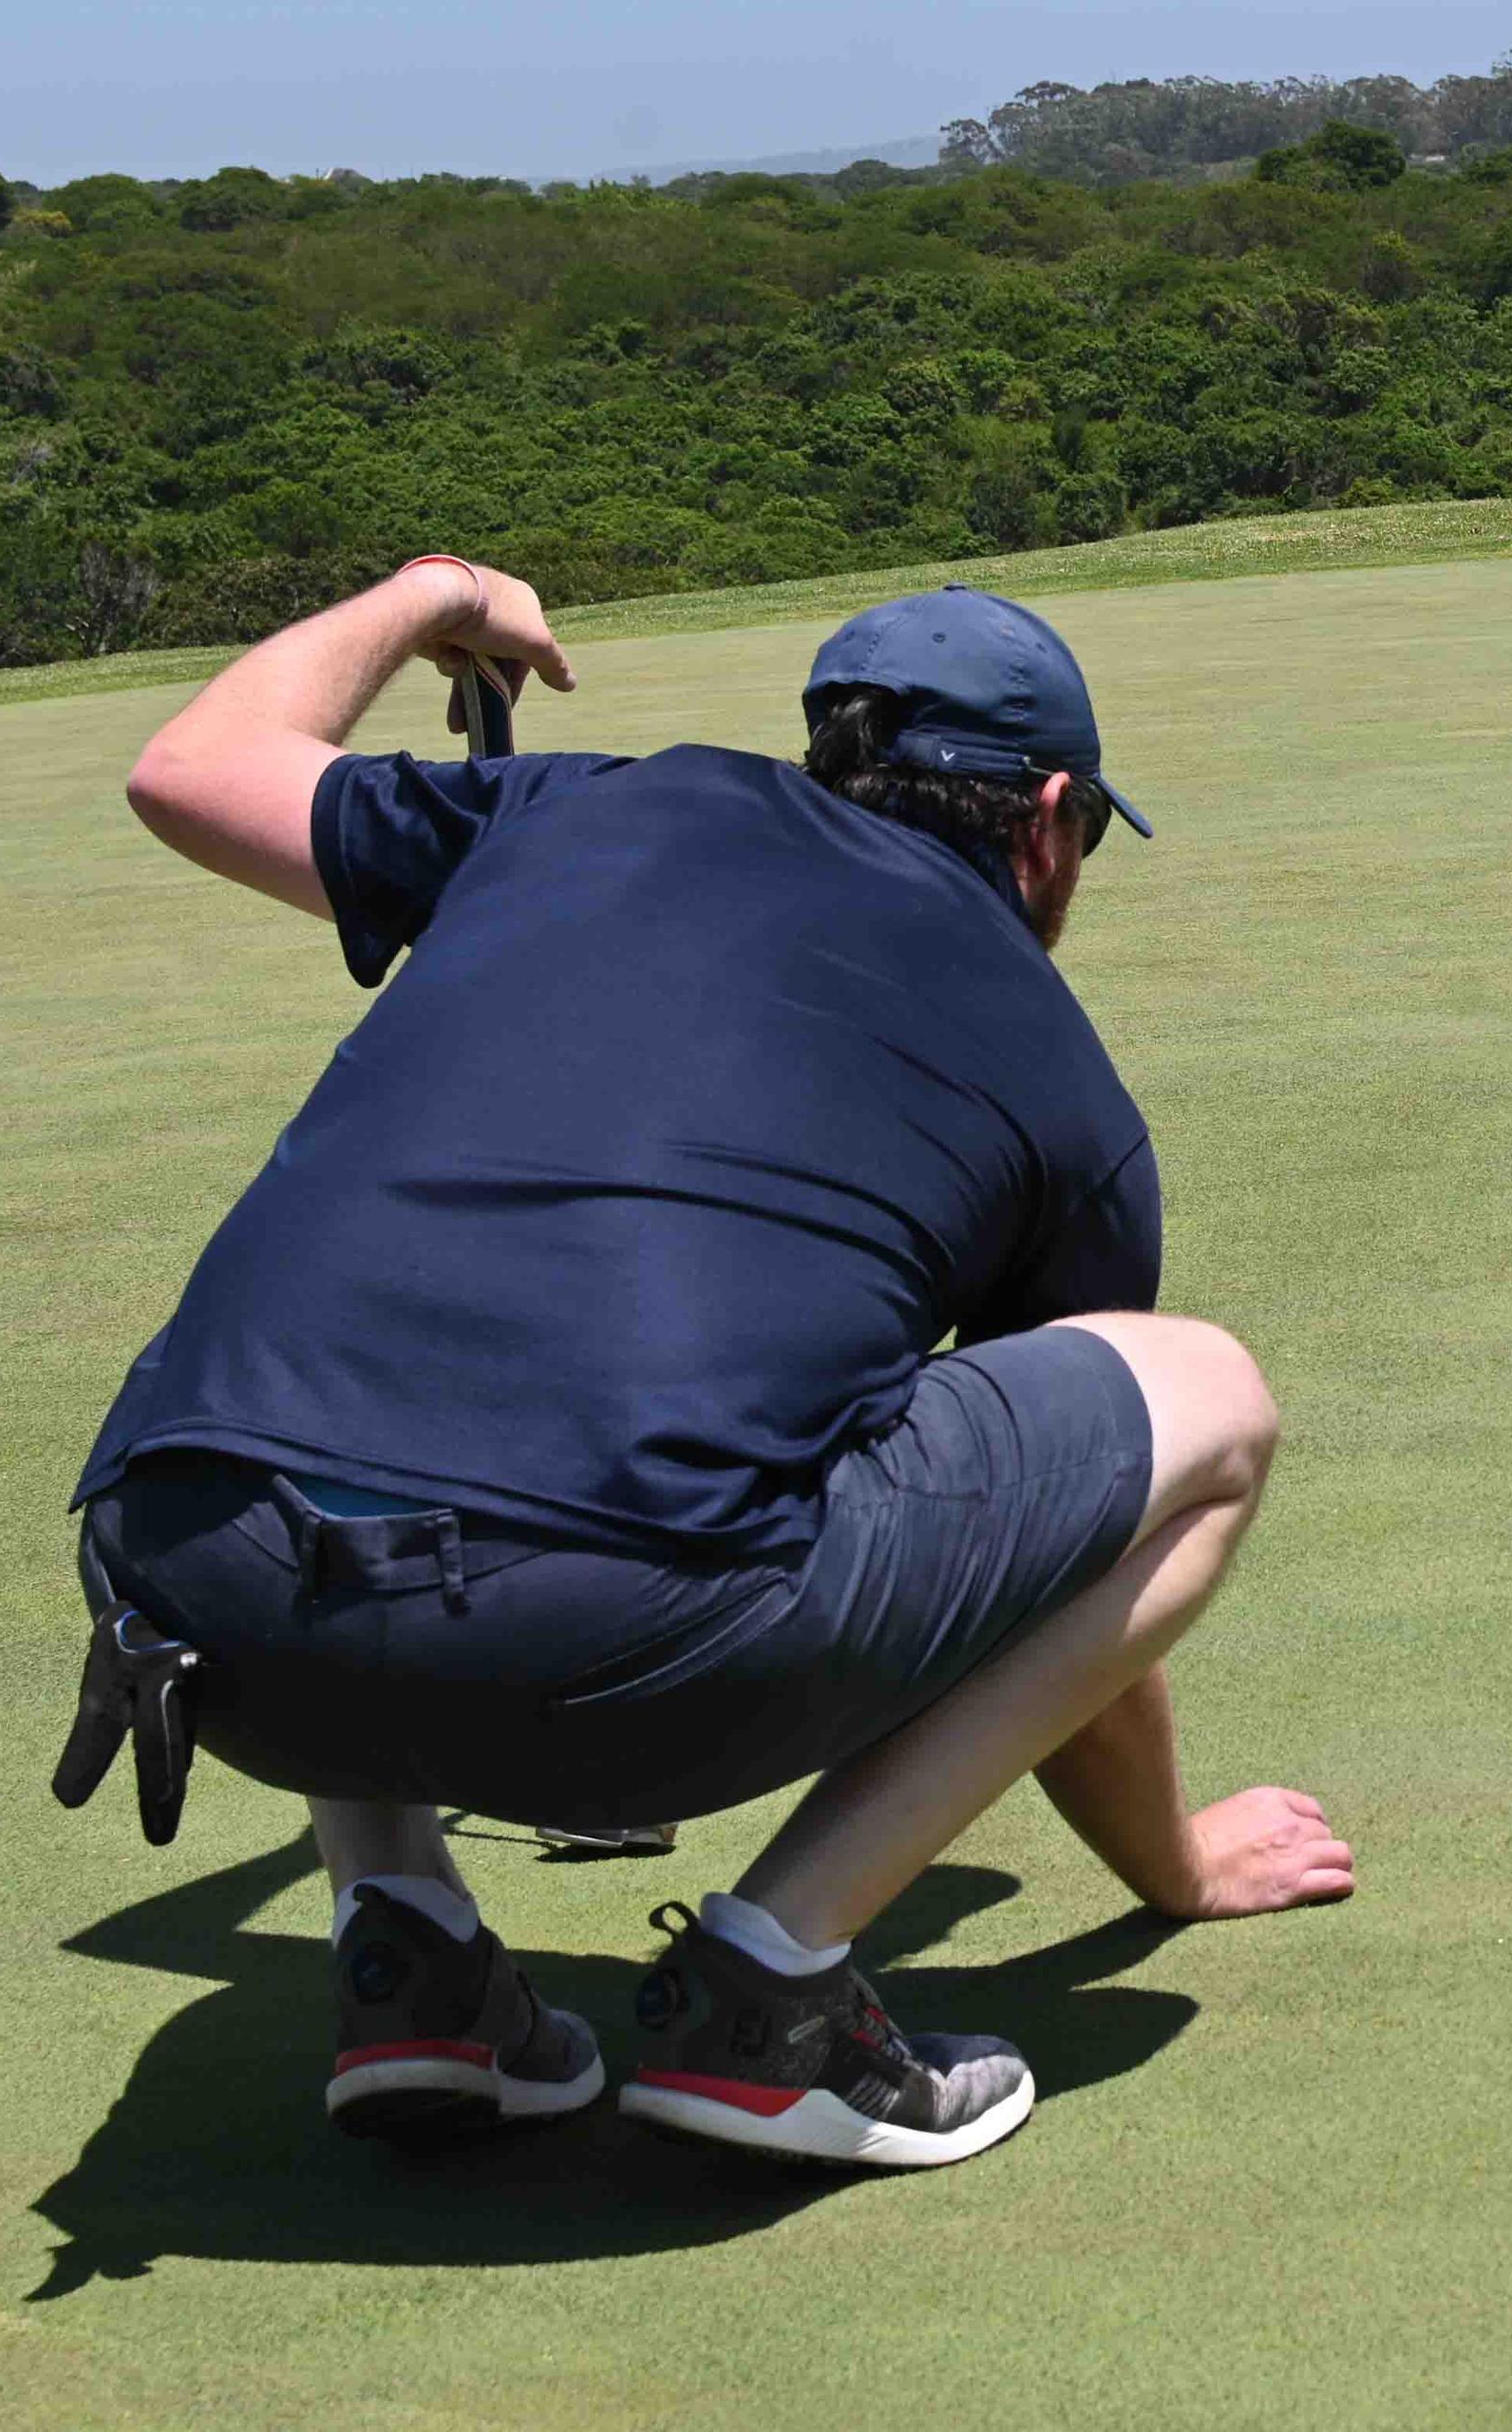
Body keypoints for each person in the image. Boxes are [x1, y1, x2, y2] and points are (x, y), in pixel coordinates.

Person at [70, 557, 1352, 2171]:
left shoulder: (562, 815)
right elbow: (1079, 1545)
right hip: (613, 1652)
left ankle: (408, 1956)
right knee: (1208, 1398)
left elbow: (186, 771)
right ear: (1045, 820)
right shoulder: (1062, 1085)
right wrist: (1174, 1860)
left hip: (195, 1607)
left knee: (360, 1315)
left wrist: (429, 595)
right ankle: (769, 1988)